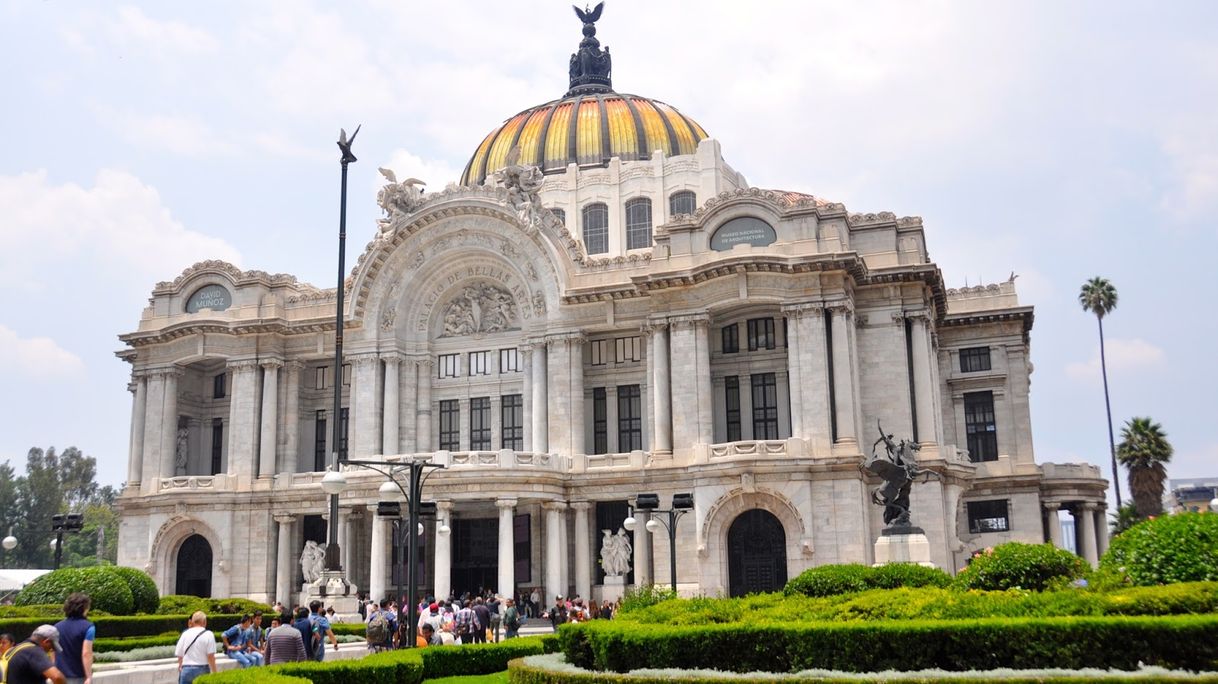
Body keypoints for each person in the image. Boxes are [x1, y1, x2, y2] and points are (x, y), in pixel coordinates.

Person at [52, 592, 93, 684]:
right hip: (78, 675)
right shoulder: (88, 627)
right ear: (84, 608)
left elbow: (53, 652)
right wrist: (89, 676)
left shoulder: (57, 627)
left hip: (60, 675)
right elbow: (86, 653)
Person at [173, 612, 216, 684]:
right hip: (202, 668)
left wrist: (181, 666)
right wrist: (215, 672)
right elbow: (210, 656)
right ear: (204, 621)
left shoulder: (185, 633)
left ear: (192, 621)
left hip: (186, 669)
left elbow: (179, 654)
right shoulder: (209, 634)